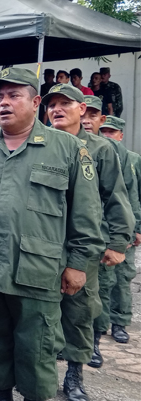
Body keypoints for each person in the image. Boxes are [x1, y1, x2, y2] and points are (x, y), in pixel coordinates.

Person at [0, 68, 103, 401]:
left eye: (13, 95)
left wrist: (78, 265)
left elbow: (86, 214)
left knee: (36, 347)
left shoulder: (68, 149)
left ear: (36, 102)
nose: (3, 103)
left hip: (38, 271)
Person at [43, 85, 133, 401]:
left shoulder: (102, 149)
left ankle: (75, 374)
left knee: (79, 312)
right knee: (42, 312)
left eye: (65, 103)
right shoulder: (38, 143)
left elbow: (115, 196)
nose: (57, 109)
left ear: (82, 109)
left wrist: (118, 241)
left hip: (84, 245)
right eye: (51, 103)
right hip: (44, 243)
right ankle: (42, 374)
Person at [81, 98, 138, 362]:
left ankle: (94, 340)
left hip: (100, 234)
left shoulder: (115, 152)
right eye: (85, 113)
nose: (87, 120)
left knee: (100, 291)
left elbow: (125, 196)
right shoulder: (56, 144)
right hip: (65, 236)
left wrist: (125, 234)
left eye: (94, 115)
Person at [101, 116, 140, 351]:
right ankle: (102, 321)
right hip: (101, 229)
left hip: (126, 228)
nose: (107, 136)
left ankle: (120, 321)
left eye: (111, 132)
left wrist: (137, 228)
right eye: (103, 131)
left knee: (122, 278)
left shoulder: (133, 160)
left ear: (120, 135)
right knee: (103, 281)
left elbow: (135, 196)